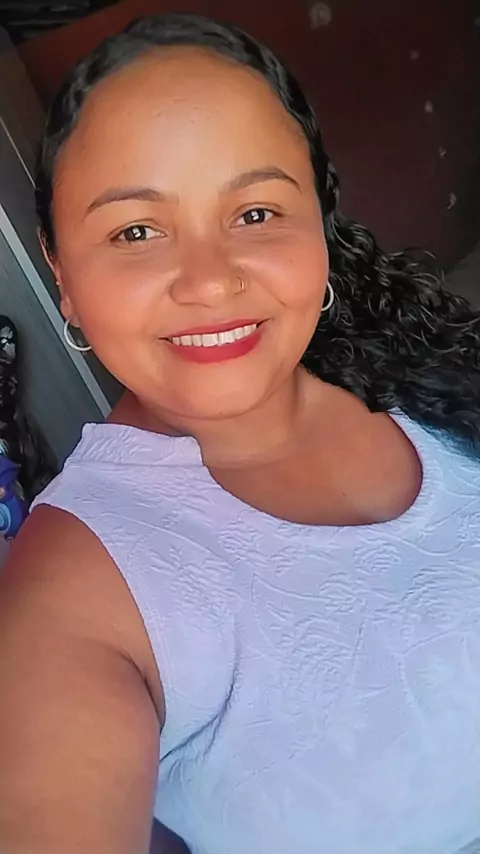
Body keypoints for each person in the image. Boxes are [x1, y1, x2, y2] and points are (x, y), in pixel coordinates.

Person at [0, 12, 479, 854]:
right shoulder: (75, 591)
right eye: (136, 231)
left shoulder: (416, 367)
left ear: (317, 220)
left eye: (255, 213)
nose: (211, 280)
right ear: (61, 272)